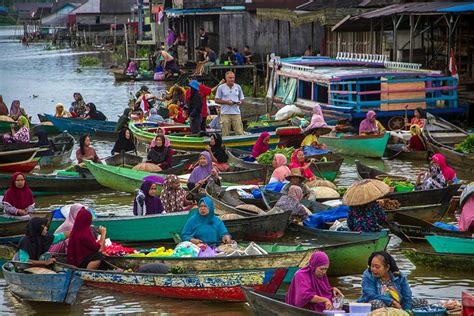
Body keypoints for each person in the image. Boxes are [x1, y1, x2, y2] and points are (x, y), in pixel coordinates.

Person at [358, 251, 428, 311]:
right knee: (376, 303)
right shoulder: (368, 275)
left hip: (398, 306)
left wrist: (405, 311)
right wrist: (392, 302)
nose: (373, 269)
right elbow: (370, 295)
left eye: (377, 267)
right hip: (381, 305)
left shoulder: (399, 276)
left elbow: (407, 297)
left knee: (422, 302)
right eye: (372, 266)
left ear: (387, 267)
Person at [215, 71, 245, 136]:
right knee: (225, 133)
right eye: (230, 78)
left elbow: (242, 98)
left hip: (236, 113)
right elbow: (216, 100)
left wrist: (240, 102)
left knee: (239, 132)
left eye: (233, 78)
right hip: (225, 113)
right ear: (226, 78)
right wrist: (226, 102)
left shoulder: (238, 87)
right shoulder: (221, 87)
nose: (232, 79)